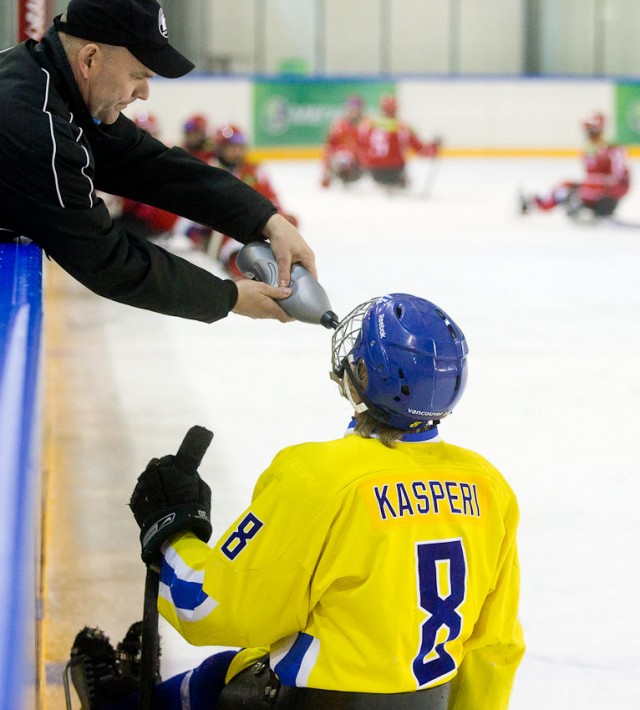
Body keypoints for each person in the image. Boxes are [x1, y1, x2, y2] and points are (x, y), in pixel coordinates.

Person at [67, 293, 525, 709]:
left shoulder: (317, 474)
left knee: (219, 680)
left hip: (311, 703)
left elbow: (211, 607)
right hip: (429, 701)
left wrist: (171, 533)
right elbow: (494, 649)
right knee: (233, 668)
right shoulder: (490, 487)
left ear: (361, 376)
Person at [0, 0, 316, 325]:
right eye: (138, 75)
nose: (145, 92)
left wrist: (268, 220)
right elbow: (106, 258)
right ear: (90, 59)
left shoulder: (46, 80)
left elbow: (150, 165)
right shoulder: (37, 129)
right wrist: (230, 297)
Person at [173, 123, 300, 279]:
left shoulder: (254, 171)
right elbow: (187, 205)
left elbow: (272, 202)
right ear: (219, 147)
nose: (237, 151)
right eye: (231, 147)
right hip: (215, 233)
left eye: (240, 146)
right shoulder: (204, 168)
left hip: (249, 231)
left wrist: (281, 219)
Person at [519, 111, 631, 219]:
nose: (588, 134)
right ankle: (537, 203)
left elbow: (620, 180)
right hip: (592, 191)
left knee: (585, 186)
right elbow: (589, 178)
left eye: (590, 131)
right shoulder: (589, 151)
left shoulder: (613, 150)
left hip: (608, 194)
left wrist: (584, 193)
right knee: (565, 185)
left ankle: (578, 201)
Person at [358, 95, 441, 189]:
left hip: (373, 172)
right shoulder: (402, 127)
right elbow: (421, 150)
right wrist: (434, 146)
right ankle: (401, 181)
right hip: (395, 172)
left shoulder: (368, 125)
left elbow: (359, 145)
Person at [320, 94, 366, 188]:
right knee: (341, 158)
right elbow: (329, 148)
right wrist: (327, 171)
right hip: (343, 163)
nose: (353, 111)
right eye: (350, 107)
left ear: (361, 109)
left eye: (356, 107)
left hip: (361, 164)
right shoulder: (338, 126)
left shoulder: (366, 125)